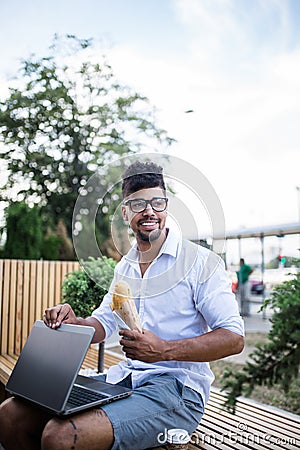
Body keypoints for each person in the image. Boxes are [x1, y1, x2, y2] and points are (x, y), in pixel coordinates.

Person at [0, 161, 244, 450]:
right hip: (124, 379)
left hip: (178, 391)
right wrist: (74, 323)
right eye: (138, 204)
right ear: (125, 212)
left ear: (167, 207)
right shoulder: (125, 267)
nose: (149, 211)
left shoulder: (201, 263)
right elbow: (103, 323)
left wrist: (163, 350)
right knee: (10, 414)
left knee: (61, 435)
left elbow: (234, 338)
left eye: (157, 202)